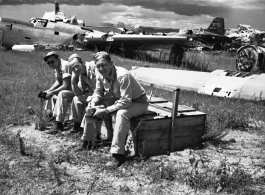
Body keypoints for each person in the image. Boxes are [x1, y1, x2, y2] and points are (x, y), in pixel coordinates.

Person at [81, 51, 149, 167]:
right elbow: (98, 92)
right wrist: (93, 102)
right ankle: (87, 142)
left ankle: (118, 154)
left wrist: (106, 110)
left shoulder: (122, 75)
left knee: (122, 114)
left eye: (104, 65)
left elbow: (126, 101)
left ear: (111, 63)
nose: (101, 69)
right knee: (91, 108)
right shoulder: (99, 74)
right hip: (119, 99)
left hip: (138, 102)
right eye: (98, 66)